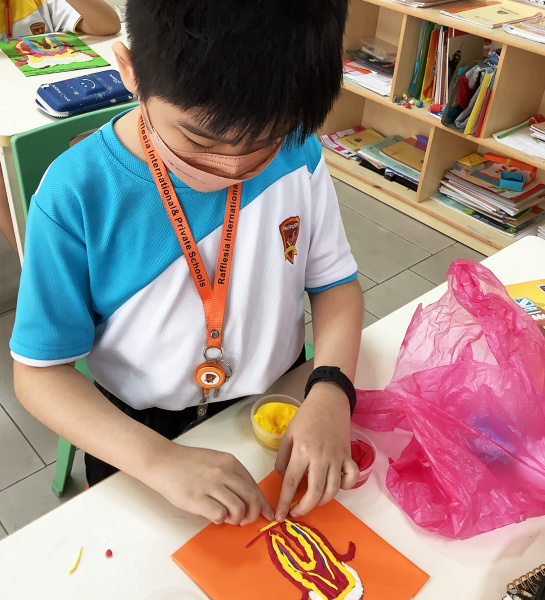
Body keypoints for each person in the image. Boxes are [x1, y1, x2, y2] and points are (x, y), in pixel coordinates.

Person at [11, 0, 364, 527]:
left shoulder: (301, 155)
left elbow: (336, 285)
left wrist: (332, 387)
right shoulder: (75, 195)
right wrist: (158, 459)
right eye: (199, 139)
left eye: (265, 140)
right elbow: (40, 376)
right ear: (130, 70)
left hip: (279, 403)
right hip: (138, 440)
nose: (234, 165)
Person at [0, 0, 121, 252]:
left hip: (48, 105)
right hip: (11, 116)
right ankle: (33, 262)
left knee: (93, 139)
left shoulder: (39, 3)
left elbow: (108, 25)